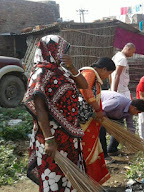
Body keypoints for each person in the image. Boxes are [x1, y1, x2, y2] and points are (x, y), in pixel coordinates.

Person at [23, 35, 88, 191]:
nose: (64, 54)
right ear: (50, 51)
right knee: (54, 174)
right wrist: (49, 139)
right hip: (52, 135)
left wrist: (72, 67)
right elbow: (39, 108)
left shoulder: (61, 70)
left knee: (70, 175)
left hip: (69, 134)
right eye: (61, 50)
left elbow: (83, 84)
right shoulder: (40, 73)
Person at [79, 57, 116, 184]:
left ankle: (91, 181)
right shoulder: (89, 73)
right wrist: (97, 109)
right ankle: (86, 181)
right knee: (86, 150)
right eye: (109, 74)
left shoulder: (93, 75)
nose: (107, 77)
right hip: (83, 121)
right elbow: (85, 90)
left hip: (90, 119)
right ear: (104, 69)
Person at [99, 90, 144, 162]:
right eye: (138, 112)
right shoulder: (117, 102)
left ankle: (112, 150)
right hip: (101, 112)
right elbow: (101, 108)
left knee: (120, 128)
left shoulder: (130, 111)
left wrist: (132, 139)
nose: (137, 114)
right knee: (101, 132)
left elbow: (130, 126)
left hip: (112, 114)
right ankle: (104, 156)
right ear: (134, 108)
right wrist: (106, 121)